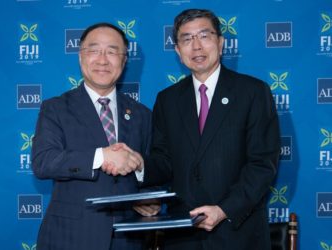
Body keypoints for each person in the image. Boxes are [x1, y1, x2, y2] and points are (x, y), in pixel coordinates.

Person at [103, 8, 280, 250]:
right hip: (183, 235)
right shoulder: (168, 99)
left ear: (220, 42)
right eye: (186, 39)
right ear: (177, 50)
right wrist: (140, 164)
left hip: (237, 233)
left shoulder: (253, 92)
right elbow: (164, 160)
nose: (196, 46)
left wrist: (223, 210)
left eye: (204, 36)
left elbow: (262, 164)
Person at [31, 22, 153, 250]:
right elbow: (43, 162)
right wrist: (100, 156)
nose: (103, 59)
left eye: (112, 51)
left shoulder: (141, 114)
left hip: (128, 239)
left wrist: (147, 195)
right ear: (81, 57)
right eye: (94, 50)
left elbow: (150, 169)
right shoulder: (56, 108)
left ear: (124, 60)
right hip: (70, 237)